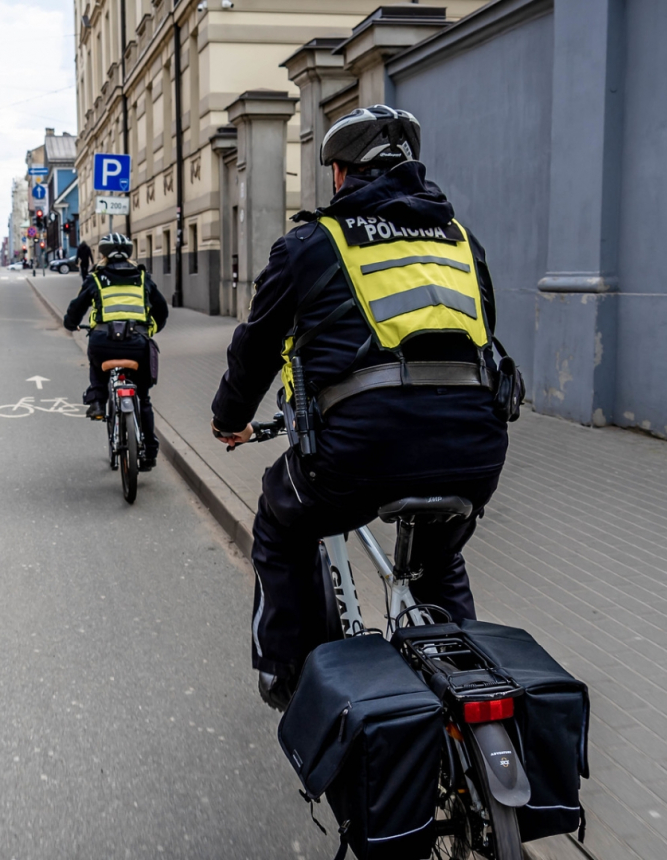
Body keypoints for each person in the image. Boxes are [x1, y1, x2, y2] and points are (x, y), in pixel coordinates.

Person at [209, 105, 521, 710]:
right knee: (437, 554)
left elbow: (255, 349)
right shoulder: (463, 241)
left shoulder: (312, 243)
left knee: (281, 519)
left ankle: (286, 672)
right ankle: (467, 683)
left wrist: (229, 418)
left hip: (358, 455)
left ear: (341, 175)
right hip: (477, 451)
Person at [64, 233, 170, 470]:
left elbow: (77, 308)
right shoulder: (143, 278)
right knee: (142, 397)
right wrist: (152, 329)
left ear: (103, 255)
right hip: (137, 343)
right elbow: (162, 311)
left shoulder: (96, 278)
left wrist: (70, 323)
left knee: (95, 362)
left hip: (103, 343)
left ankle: (99, 400)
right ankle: (150, 454)